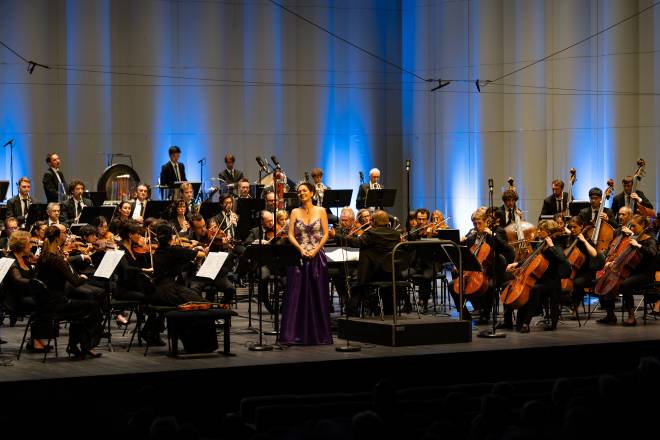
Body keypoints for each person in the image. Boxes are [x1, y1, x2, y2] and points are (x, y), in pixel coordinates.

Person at [36, 225, 103, 359]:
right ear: (57, 238)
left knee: (82, 309)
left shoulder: (43, 256)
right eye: (64, 234)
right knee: (92, 306)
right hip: (58, 303)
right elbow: (75, 282)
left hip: (46, 301)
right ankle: (86, 344)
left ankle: (77, 345)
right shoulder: (57, 259)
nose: (66, 236)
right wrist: (84, 277)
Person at [280, 182, 332, 345]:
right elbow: (290, 235)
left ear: (311, 193)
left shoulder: (321, 211)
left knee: (317, 295)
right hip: (298, 257)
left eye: (304, 191)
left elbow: (324, 234)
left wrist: (315, 250)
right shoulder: (294, 211)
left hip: (317, 257)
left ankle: (319, 334)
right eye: (299, 191)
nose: (301, 193)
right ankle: (293, 334)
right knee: (296, 295)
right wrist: (300, 249)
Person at [500, 219, 570, 332]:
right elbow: (530, 259)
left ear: (548, 232)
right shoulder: (540, 244)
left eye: (541, 230)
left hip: (552, 281)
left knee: (534, 289)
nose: (538, 232)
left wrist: (551, 246)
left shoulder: (557, 244)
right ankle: (518, 321)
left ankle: (526, 323)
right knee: (511, 286)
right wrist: (517, 263)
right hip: (539, 278)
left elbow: (563, 259)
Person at [597, 214, 657, 326]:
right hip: (630, 272)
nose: (632, 229)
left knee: (625, 284)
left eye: (634, 226)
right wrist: (613, 263)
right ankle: (610, 315)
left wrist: (639, 246)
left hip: (645, 275)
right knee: (603, 280)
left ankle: (631, 316)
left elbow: (652, 252)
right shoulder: (633, 239)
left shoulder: (650, 239)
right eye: (631, 226)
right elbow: (623, 257)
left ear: (643, 225)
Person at [562, 216, 603, 313]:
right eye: (570, 227)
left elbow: (594, 253)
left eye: (575, 227)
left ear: (581, 226)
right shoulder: (569, 240)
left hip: (586, 272)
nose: (572, 229)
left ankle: (575, 306)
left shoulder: (587, 240)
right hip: (572, 271)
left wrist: (584, 240)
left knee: (577, 283)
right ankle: (567, 303)